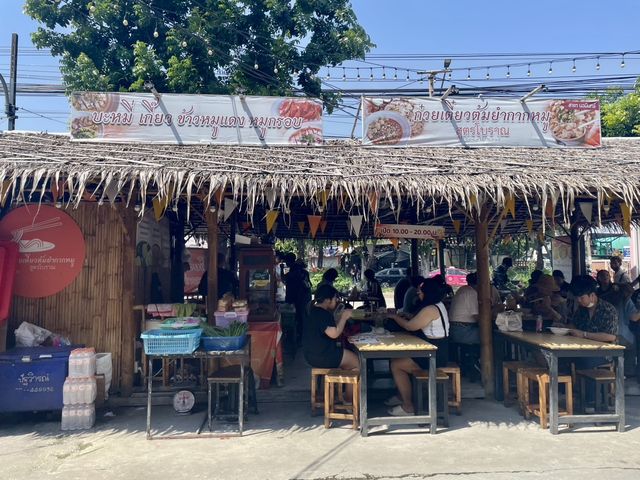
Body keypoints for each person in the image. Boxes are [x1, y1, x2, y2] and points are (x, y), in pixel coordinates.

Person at [383, 278, 450, 416]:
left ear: (428, 292)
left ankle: (408, 406)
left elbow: (410, 326)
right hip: (438, 350)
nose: (419, 295)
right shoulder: (438, 305)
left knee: (396, 364)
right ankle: (402, 395)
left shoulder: (430, 309)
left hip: (434, 355)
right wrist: (407, 315)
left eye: (420, 292)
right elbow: (418, 319)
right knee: (399, 358)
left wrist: (394, 317)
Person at [302, 285, 359, 397]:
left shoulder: (313, 311)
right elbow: (334, 334)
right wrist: (344, 317)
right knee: (356, 363)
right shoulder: (321, 313)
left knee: (348, 362)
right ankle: (349, 400)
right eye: (335, 298)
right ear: (328, 300)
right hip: (323, 356)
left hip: (311, 355)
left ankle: (343, 392)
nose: (337, 300)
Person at [596, 269, 640, 374]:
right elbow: (634, 317)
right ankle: (628, 372)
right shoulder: (625, 301)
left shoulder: (602, 299)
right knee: (633, 342)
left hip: (601, 335)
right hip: (621, 336)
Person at [283, 253, 312, 343]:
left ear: (289, 261)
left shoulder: (295, 270)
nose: (286, 263)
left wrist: (280, 269)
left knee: (299, 318)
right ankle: (301, 337)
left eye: (286, 261)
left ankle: (300, 338)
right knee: (301, 317)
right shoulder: (301, 270)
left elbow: (284, 278)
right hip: (304, 298)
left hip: (299, 298)